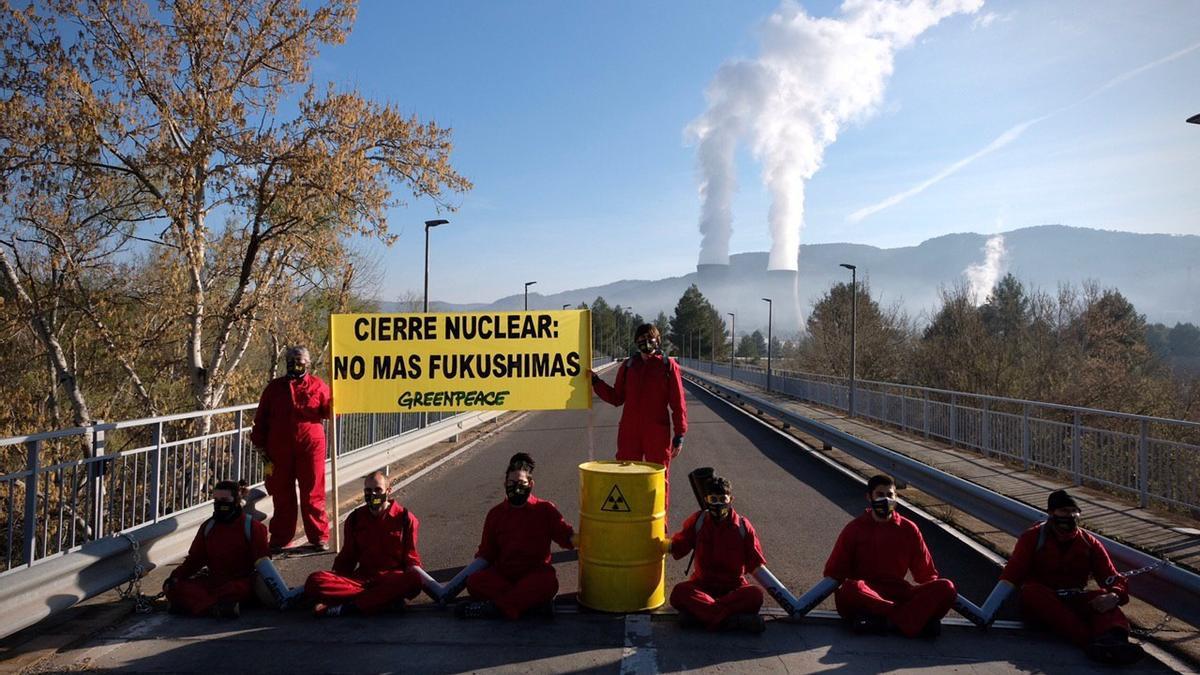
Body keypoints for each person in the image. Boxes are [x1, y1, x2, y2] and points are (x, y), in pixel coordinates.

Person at [998, 489, 1144, 665]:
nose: (1071, 515)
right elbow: (1012, 573)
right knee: (1031, 591)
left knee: (1101, 598)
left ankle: (1115, 642)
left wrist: (1114, 595)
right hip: (1043, 603)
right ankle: (1090, 642)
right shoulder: (1033, 538)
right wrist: (990, 609)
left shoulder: (1089, 543)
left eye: (1074, 511)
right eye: (1064, 511)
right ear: (1051, 513)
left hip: (1072, 600)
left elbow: (1111, 577)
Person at [823, 474, 957, 638]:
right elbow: (834, 572)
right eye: (880, 495)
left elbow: (927, 574)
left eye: (890, 495)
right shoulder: (854, 529)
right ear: (869, 497)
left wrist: (933, 598)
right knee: (852, 588)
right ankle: (910, 621)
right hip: (867, 594)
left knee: (946, 588)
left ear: (896, 498)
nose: (885, 499)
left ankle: (884, 622)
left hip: (898, 593)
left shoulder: (908, 529)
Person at [456, 453, 576, 620]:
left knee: (547, 584)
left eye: (521, 483)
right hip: (505, 576)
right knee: (475, 582)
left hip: (535, 574)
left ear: (531, 484)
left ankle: (496, 607)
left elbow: (567, 538)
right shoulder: (495, 514)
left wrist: (588, 536)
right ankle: (528, 606)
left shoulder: (545, 510)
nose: (516, 488)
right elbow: (486, 553)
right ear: (505, 483)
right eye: (512, 483)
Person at [589, 323, 687, 508]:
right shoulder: (629, 366)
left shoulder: (668, 366)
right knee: (626, 477)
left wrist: (680, 434)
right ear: (636, 343)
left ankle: (658, 526)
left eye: (650, 339)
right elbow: (617, 398)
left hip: (657, 432)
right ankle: (630, 523)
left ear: (658, 340)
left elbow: (678, 403)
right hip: (629, 432)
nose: (646, 343)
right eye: (641, 340)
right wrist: (596, 382)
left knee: (658, 480)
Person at [304, 471, 426, 617]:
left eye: (378, 490)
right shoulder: (355, 518)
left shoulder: (406, 519)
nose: (373, 494)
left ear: (388, 491)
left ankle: (349, 607)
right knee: (315, 580)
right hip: (360, 581)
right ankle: (380, 601)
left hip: (390, 579)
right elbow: (347, 558)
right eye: (368, 491)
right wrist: (335, 579)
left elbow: (411, 559)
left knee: (413, 580)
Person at [250, 346, 332, 552]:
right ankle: (281, 538)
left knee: (313, 492)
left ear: (308, 363)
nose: (296, 363)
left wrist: (336, 404)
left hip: (311, 447)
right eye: (292, 359)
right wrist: (259, 445)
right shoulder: (274, 388)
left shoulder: (318, 385)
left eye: (300, 360)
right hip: (278, 449)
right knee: (282, 494)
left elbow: (331, 413)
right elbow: (260, 419)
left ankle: (319, 536)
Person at [667, 475, 767, 633]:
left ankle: (704, 617)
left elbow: (755, 563)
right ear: (706, 499)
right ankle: (730, 621)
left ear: (731, 499)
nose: (718, 503)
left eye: (722, 498)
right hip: (703, 586)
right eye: (713, 499)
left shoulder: (743, 527)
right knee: (679, 593)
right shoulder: (698, 521)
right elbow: (679, 546)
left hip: (733, 589)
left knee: (755, 595)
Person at [164, 480, 269, 617]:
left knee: (236, 589)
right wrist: (175, 577)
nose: (220, 503)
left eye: (224, 499)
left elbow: (264, 564)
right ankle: (217, 608)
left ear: (236, 501)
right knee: (175, 588)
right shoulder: (208, 527)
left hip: (240, 581)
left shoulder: (253, 527)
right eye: (216, 500)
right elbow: (194, 560)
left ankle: (195, 606)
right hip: (214, 581)